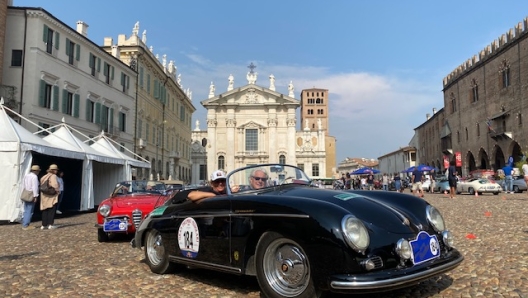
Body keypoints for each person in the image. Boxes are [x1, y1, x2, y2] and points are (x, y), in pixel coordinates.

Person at [40, 164, 60, 229]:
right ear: (54, 170)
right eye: (56, 170)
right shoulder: (53, 176)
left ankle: (43, 224)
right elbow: (55, 184)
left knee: (45, 209)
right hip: (51, 195)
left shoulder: (44, 176)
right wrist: (57, 191)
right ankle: (50, 224)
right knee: (52, 209)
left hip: (44, 195)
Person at [21, 165, 41, 230]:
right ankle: (26, 225)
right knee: (30, 210)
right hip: (31, 193)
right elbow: (35, 187)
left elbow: (23, 185)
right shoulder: (34, 177)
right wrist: (35, 196)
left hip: (25, 192)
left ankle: (24, 223)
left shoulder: (26, 176)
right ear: (37, 171)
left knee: (26, 209)